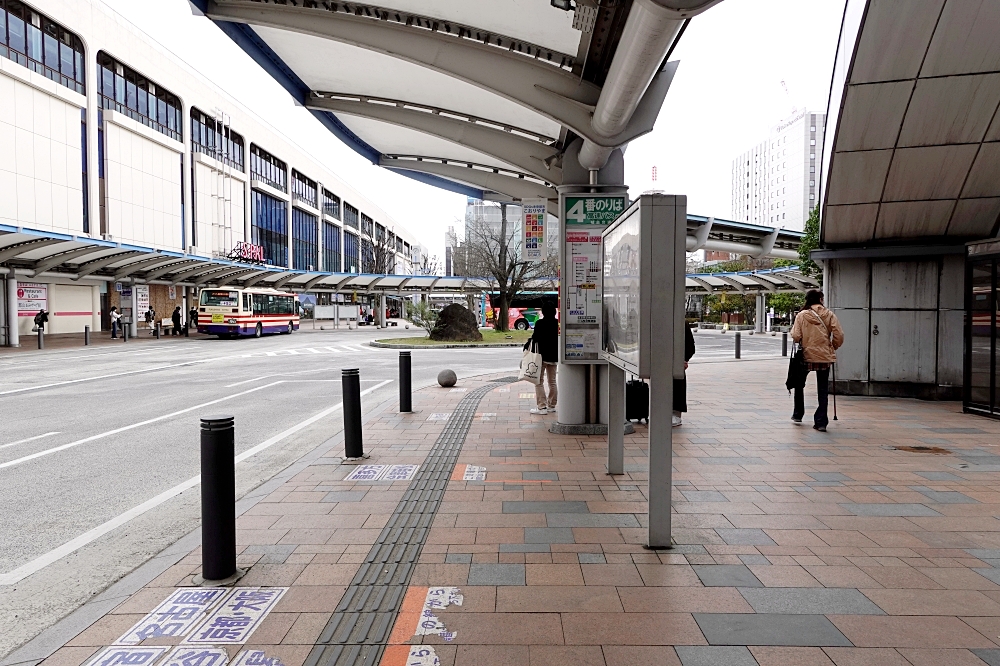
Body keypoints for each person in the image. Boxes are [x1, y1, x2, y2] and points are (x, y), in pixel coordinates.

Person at [791, 289, 844, 432]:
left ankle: (798, 414)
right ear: (820, 299)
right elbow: (839, 335)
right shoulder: (829, 314)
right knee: (823, 388)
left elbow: (796, 336)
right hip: (824, 356)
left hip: (806, 355)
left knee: (799, 384)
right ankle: (821, 422)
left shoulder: (801, 315)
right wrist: (832, 346)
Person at [528, 301, 559, 415]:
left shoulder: (540, 323)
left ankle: (542, 407)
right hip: (554, 356)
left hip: (541, 356)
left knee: (539, 381)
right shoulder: (557, 323)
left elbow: (535, 338)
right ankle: (552, 405)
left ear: (543, 312)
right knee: (552, 381)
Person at [672, 323, 697, 427]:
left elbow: (690, 345)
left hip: (677, 361)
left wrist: (684, 359)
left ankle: (676, 413)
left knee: (677, 383)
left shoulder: (680, 322)